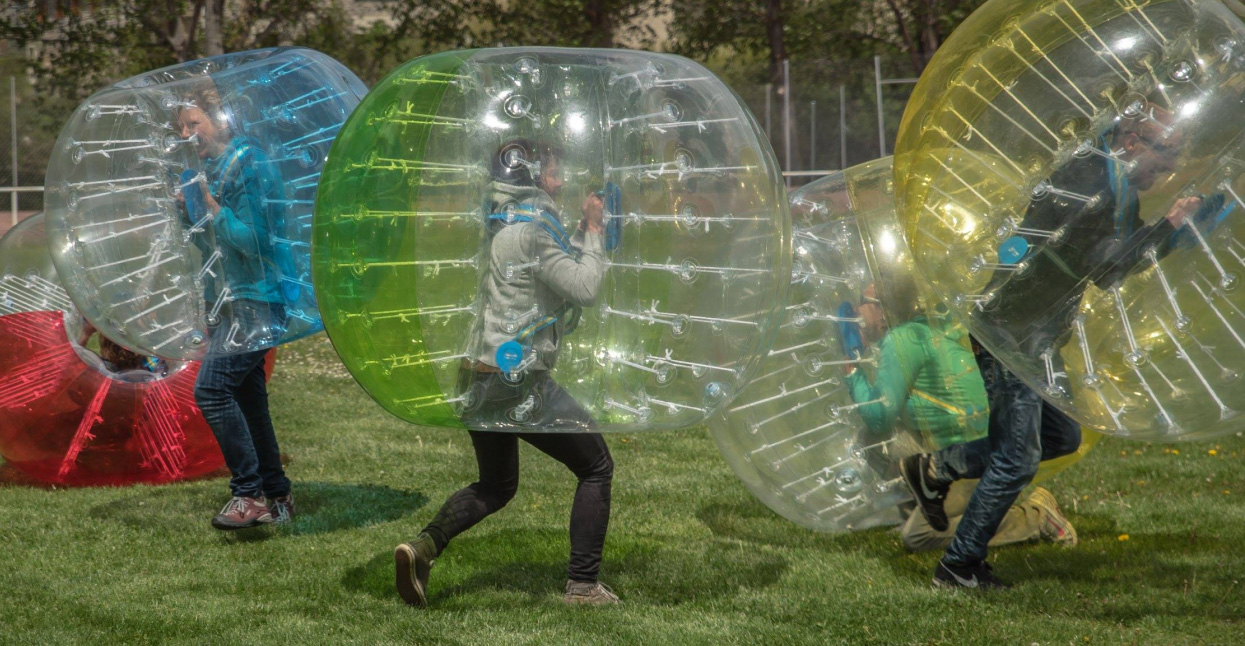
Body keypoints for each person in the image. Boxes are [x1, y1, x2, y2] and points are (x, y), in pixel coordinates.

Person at [903, 101, 1208, 589]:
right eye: (1166, 153)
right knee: (1016, 457)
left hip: (1036, 332)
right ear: (1133, 142)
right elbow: (1109, 269)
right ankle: (957, 567)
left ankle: (936, 468)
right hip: (1014, 330)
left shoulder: (1113, 181)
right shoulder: (1090, 181)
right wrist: (1171, 227)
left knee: (1062, 437)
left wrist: (1171, 227)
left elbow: (1105, 267)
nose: (1170, 166)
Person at [395, 139, 617, 608]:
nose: (560, 180)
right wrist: (594, 230)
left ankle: (422, 548)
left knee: (497, 484)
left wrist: (577, 234)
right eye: (554, 172)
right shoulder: (535, 229)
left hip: (477, 372)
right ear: (533, 175)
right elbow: (584, 286)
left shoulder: (504, 223)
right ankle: (582, 586)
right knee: (595, 465)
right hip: (517, 379)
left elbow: (545, 271)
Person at [843, 281, 1076, 556]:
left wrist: (851, 369)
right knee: (875, 441)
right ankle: (926, 506)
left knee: (920, 536)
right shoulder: (924, 328)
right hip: (973, 446)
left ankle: (1034, 515)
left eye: (862, 301)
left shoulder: (903, 341)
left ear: (882, 310)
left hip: (965, 457)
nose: (856, 309)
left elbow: (878, 417)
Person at [176, 85, 294, 530]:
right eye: (182, 127)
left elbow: (258, 243)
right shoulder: (207, 169)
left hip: (258, 300)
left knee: (211, 391)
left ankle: (249, 494)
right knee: (249, 400)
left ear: (217, 119)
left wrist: (213, 210)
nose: (189, 134)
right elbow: (210, 245)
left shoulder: (250, 166)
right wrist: (188, 209)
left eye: (195, 123)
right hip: (229, 303)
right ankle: (277, 493)